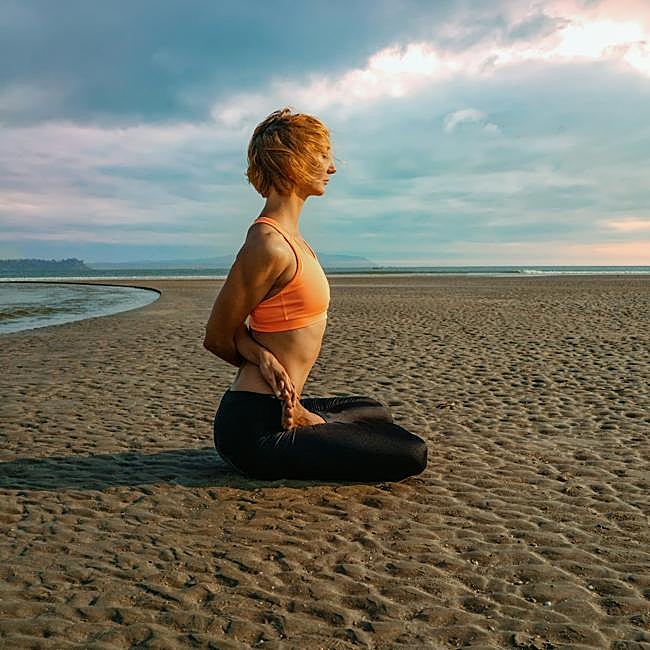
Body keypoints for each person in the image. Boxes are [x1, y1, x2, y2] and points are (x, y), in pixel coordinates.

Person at [204, 108, 427, 481]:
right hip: (254, 430)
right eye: (323, 157)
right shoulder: (268, 244)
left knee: (373, 411)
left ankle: (307, 418)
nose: (332, 168)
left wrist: (262, 357)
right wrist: (263, 359)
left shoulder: (293, 239)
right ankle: (303, 421)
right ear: (294, 162)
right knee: (411, 453)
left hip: (278, 405)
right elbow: (216, 335)